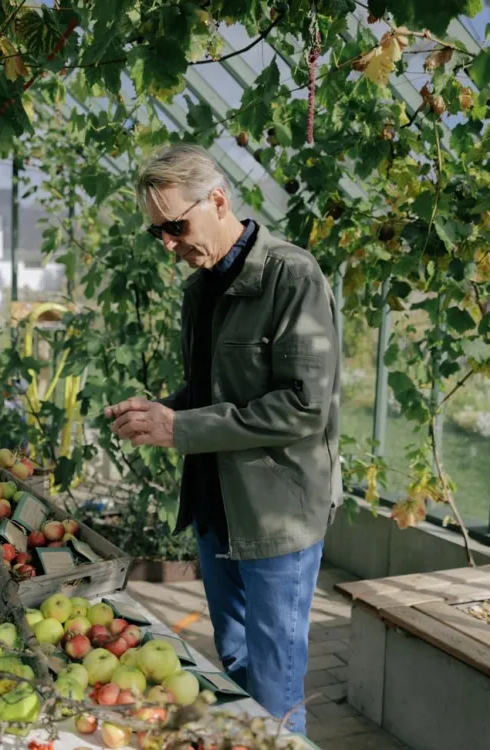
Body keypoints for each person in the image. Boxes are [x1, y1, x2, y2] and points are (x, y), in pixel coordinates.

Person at [104, 143, 341, 735]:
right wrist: (160, 411)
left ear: (217, 200)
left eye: (175, 226)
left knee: (275, 689)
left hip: (276, 516)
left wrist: (180, 428)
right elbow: (213, 392)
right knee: (234, 667)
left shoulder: (291, 276)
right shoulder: (199, 289)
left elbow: (303, 405)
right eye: (157, 232)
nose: (167, 243)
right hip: (217, 510)